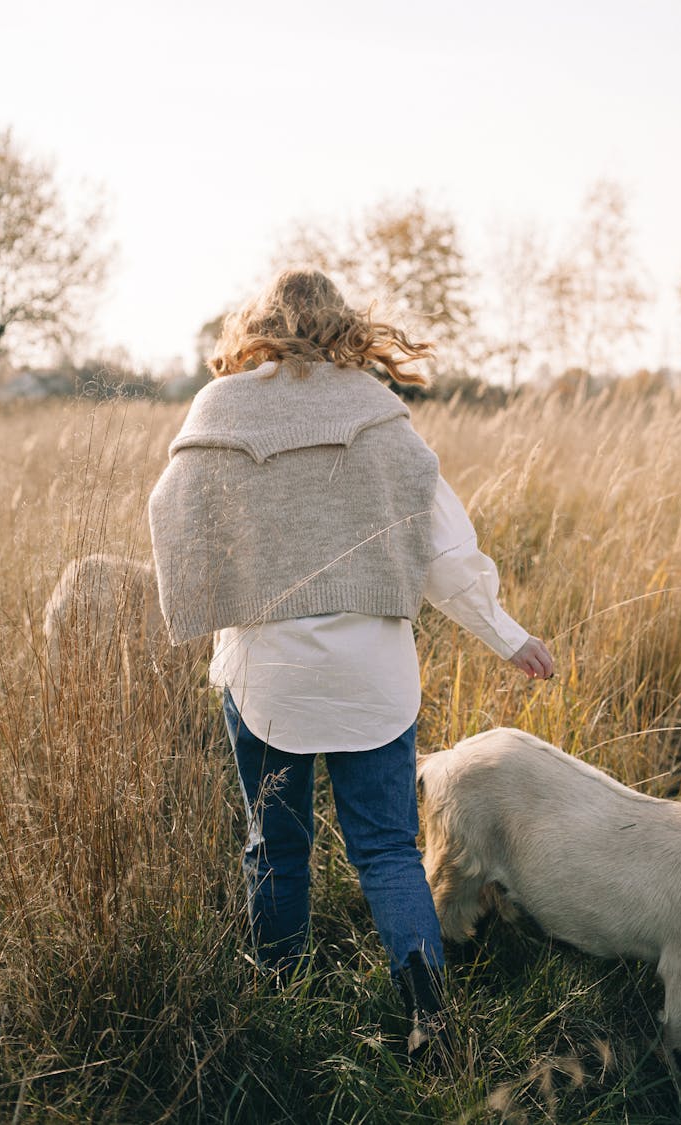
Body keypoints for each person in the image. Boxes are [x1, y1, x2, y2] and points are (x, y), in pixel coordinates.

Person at [148, 268, 554, 1066]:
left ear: (258, 325)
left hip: (269, 674)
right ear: (343, 326)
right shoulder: (379, 414)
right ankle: (430, 1020)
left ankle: (280, 1004)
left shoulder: (219, 407)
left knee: (276, 843)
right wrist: (507, 635)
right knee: (389, 850)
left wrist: (208, 599)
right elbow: (445, 550)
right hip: (373, 675)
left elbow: (170, 511)